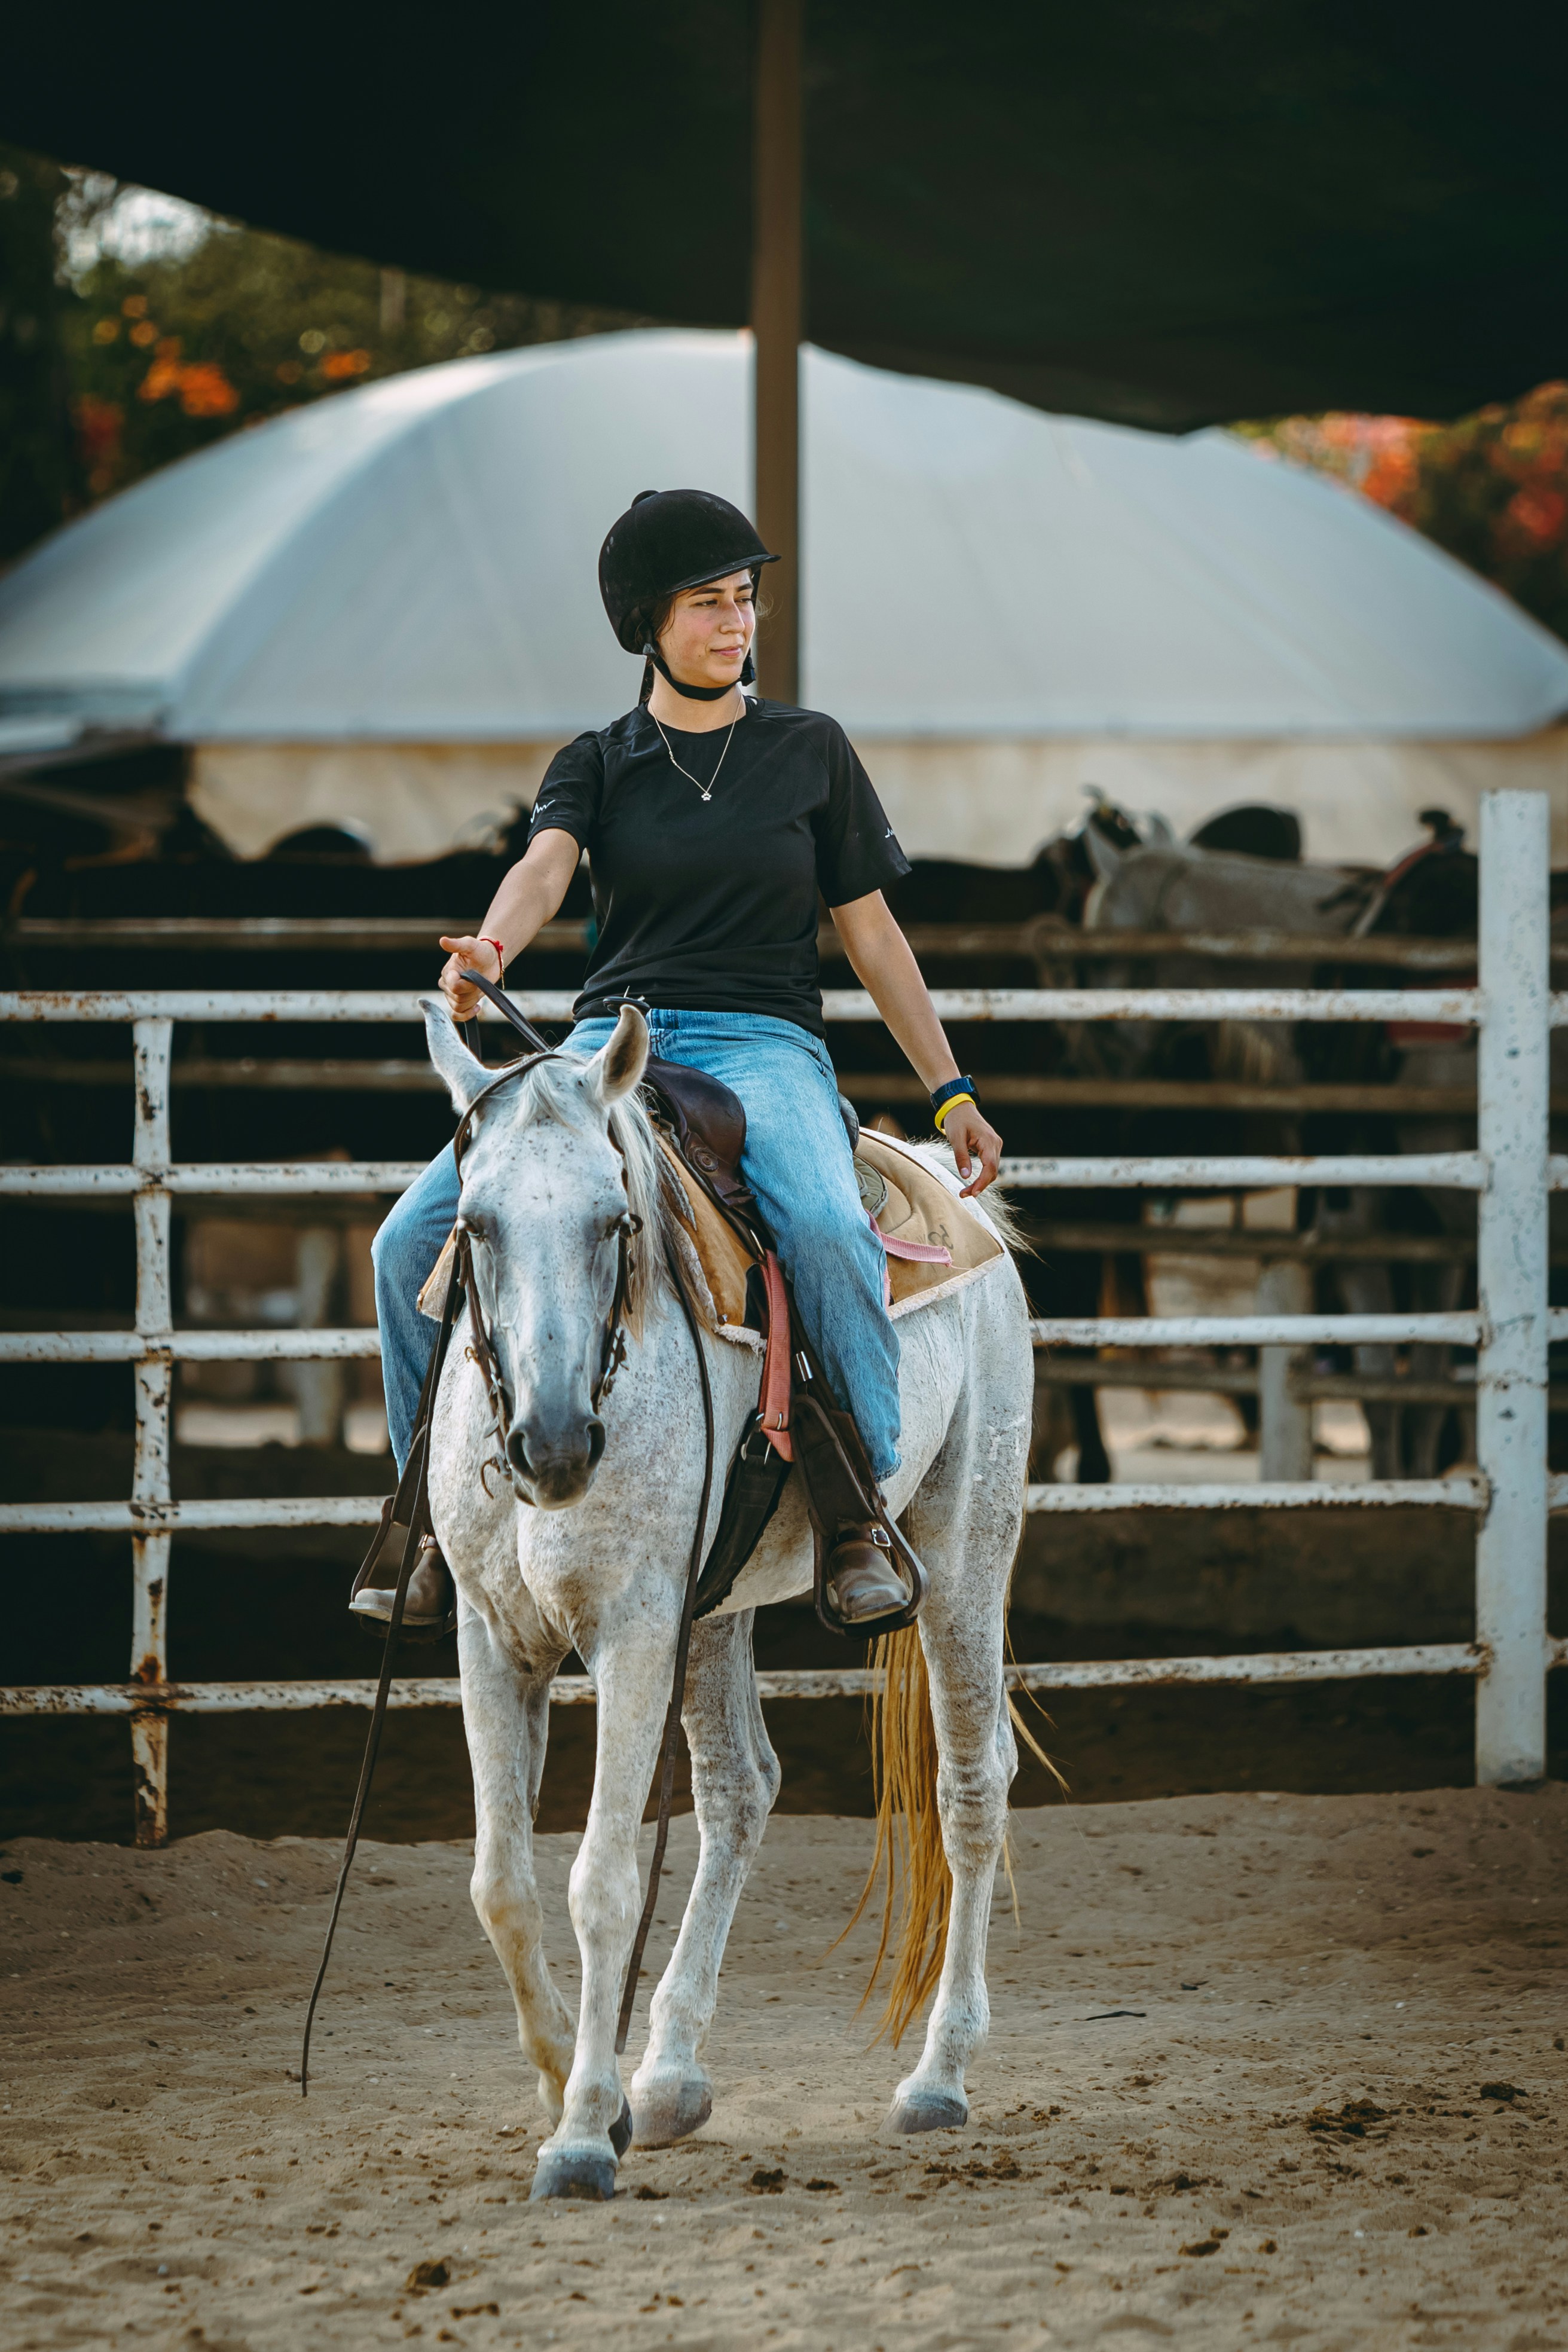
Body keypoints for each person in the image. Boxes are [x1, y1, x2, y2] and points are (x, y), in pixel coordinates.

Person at [355, 487, 1002, 1634]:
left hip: (765, 1043)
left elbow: (873, 935)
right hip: (611, 1044)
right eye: (708, 603)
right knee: (405, 1236)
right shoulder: (598, 761)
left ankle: (861, 1510)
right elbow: (546, 865)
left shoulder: (812, 751)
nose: (736, 623)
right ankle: (424, 1516)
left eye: (745, 599)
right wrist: (493, 943)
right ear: (646, 622)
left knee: (820, 1224)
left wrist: (949, 1087)